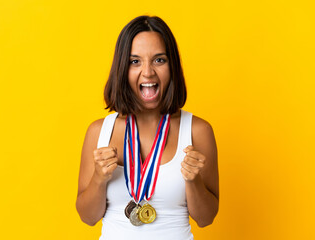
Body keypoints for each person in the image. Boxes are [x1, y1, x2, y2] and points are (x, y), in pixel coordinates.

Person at [76, 15, 219, 240]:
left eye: (159, 60)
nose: (148, 72)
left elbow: (206, 218)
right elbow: (88, 217)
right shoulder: (99, 131)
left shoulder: (197, 131)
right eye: (135, 61)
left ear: (172, 66)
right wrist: (98, 178)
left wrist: (194, 182)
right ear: (122, 68)